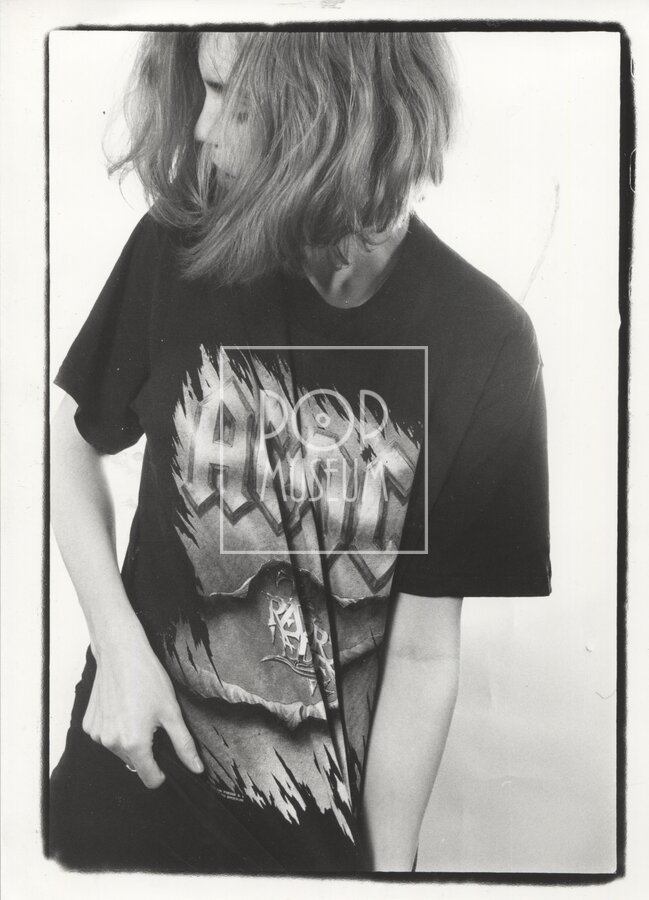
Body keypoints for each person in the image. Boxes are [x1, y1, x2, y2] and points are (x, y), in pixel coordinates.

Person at [49, 30, 551, 875]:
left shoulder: (482, 341)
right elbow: (67, 445)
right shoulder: (183, 245)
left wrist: (386, 875)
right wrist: (118, 649)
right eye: (201, 89)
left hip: (308, 854)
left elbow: (423, 651)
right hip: (128, 790)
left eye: (230, 97)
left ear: (327, 116)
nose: (202, 128)